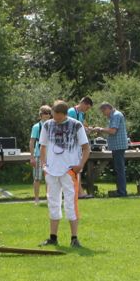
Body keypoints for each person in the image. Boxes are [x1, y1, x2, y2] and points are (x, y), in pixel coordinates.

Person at [39, 100, 90, 247]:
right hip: (51, 171)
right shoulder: (47, 125)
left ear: (64, 114)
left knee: (70, 204)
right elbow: (42, 146)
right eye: (54, 115)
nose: (55, 118)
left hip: (69, 170)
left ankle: (74, 238)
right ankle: (53, 237)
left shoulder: (76, 125)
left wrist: (80, 165)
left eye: (58, 116)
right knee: (53, 203)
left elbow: (86, 148)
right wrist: (44, 164)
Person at [93, 102, 129, 197]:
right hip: (117, 146)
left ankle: (122, 192)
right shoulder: (114, 115)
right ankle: (121, 191)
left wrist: (100, 129)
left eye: (103, 111)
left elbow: (113, 131)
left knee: (119, 170)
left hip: (118, 146)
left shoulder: (116, 115)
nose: (104, 114)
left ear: (107, 108)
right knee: (119, 169)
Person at [29, 105, 53, 204]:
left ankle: (49, 199)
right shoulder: (36, 127)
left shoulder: (53, 125)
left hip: (50, 155)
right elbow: (32, 142)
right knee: (37, 178)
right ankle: (36, 199)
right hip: (38, 155)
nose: (47, 115)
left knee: (49, 178)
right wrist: (32, 157)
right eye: (45, 113)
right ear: (41, 115)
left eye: (49, 113)